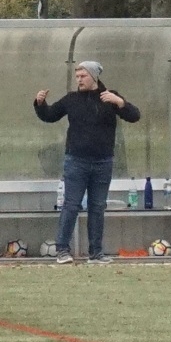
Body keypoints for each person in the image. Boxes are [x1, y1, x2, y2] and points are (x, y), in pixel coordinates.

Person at [33, 61, 141, 265]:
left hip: (103, 162)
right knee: (71, 205)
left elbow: (134, 116)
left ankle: (96, 253)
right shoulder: (72, 99)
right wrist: (40, 104)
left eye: (83, 76)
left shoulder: (109, 97)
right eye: (77, 76)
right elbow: (50, 115)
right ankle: (62, 250)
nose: (79, 80)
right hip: (76, 161)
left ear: (94, 77)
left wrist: (120, 102)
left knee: (97, 207)